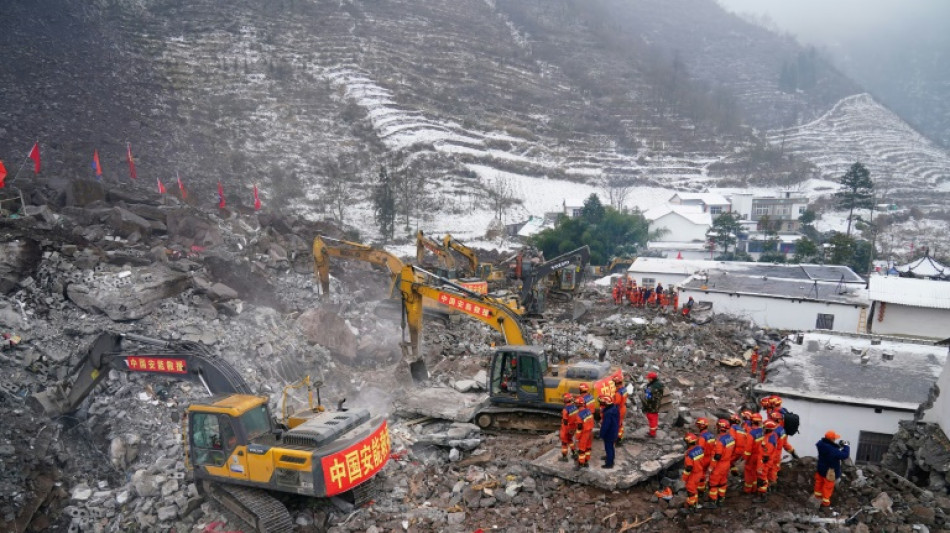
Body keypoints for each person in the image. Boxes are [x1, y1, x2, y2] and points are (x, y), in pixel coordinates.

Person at [814, 430, 850, 509]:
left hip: (821, 468)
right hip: (829, 472)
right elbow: (844, 455)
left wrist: (837, 447)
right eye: (834, 439)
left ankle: (817, 498)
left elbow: (832, 450)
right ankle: (825, 504)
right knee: (828, 487)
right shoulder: (831, 449)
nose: (835, 440)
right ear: (831, 439)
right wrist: (846, 446)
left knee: (819, 483)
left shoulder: (821, 444)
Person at [708, 419, 736, 507]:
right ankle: (721, 499)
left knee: (713, 483)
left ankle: (713, 501)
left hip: (719, 465)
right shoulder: (730, 438)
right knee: (723, 482)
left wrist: (711, 467)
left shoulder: (719, 441)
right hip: (727, 463)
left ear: (719, 428)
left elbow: (717, 456)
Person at [767, 411, 798, 487]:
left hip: (772, 453)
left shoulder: (773, 431)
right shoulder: (782, 430)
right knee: (774, 468)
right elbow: (785, 444)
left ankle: (770, 484)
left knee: (770, 469)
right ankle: (773, 481)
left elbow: (769, 444)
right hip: (778, 454)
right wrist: (793, 451)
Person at [682, 433, 705, 511]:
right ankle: (695, 503)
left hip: (693, 474)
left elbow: (689, 468)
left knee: (690, 490)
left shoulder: (689, 455)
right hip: (700, 472)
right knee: (695, 489)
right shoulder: (699, 448)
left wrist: (684, 478)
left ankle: (691, 507)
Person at [743, 414, 764, 494]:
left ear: (752, 421)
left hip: (752, 456)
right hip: (759, 455)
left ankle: (747, 490)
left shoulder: (751, 434)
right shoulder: (762, 431)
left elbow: (748, 449)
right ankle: (754, 488)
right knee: (755, 472)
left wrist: (746, 458)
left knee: (749, 473)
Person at [757, 420, 778, 501]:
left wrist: (760, 467)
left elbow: (765, 456)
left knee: (762, 478)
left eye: (764, 428)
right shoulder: (771, 436)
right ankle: (765, 491)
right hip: (768, 461)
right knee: (765, 476)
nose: (763, 429)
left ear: (768, 429)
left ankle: (762, 496)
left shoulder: (768, 441)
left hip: (764, 463)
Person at [694, 418, 715, 494]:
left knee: (701, 475)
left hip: (704, 458)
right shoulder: (711, 435)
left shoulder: (702, 437)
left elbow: (700, 449)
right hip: (710, 457)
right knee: (707, 473)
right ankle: (706, 486)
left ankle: (701, 490)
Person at [599, 395, 619, 469]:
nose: (602, 403)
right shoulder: (614, 408)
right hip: (614, 430)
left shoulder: (608, 413)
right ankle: (610, 457)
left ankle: (609, 463)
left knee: (608, 447)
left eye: (603, 402)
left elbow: (605, 425)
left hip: (609, 433)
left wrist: (601, 434)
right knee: (611, 446)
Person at [574, 396, 594, 469]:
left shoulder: (579, 415)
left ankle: (580, 464)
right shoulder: (588, 411)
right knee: (588, 448)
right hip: (590, 432)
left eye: (576, 403)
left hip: (584, 433)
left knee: (581, 449)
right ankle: (586, 461)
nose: (575, 405)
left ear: (579, 404)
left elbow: (579, 427)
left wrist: (577, 437)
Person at [642, 371, 664, 438]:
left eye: (649, 378)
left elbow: (650, 396)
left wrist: (646, 404)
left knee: (652, 417)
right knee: (653, 417)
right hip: (655, 404)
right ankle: (652, 431)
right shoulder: (657, 384)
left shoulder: (654, 387)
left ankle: (652, 433)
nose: (648, 379)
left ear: (652, 378)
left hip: (653, 405)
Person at [559, 393, 579, 462]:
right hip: (573, 427)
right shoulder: (575, 407)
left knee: (564, 443)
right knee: (570, 440)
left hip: (566, 428)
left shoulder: (565, 410)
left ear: (565, 400)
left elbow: (565, 421)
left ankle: (564, 457)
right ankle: (574, 453)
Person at [611, 375, 628, 444]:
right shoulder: (624, 389)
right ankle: (620, 437)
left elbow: (616, 403)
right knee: (620, 424)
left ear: (616, 383)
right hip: (623, 408)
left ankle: (616, 439)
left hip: (619, 410)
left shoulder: (618, 393)